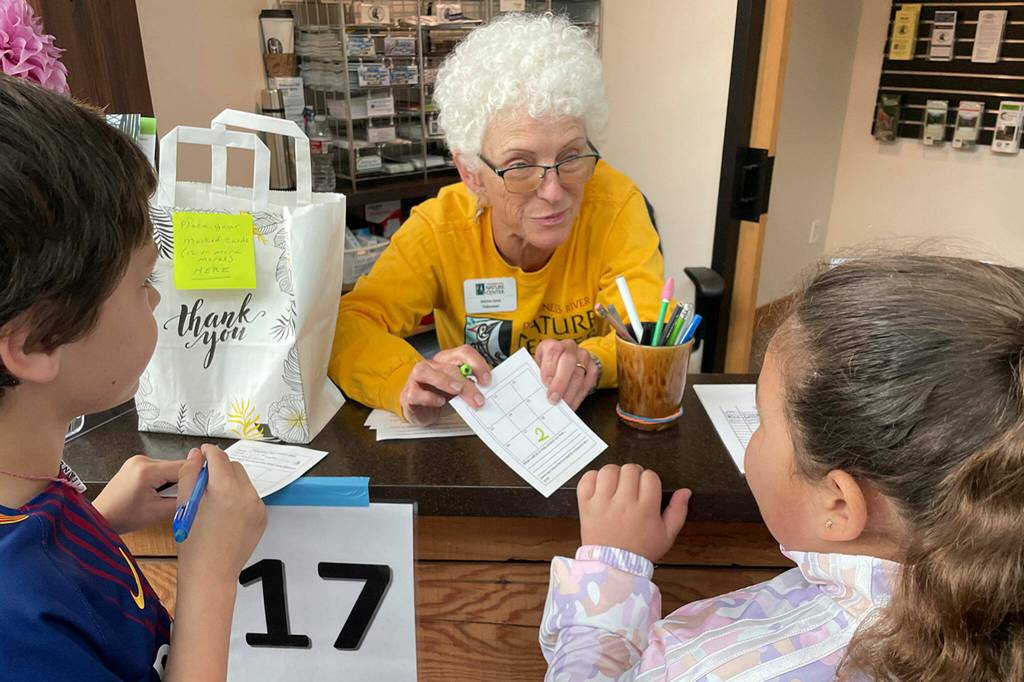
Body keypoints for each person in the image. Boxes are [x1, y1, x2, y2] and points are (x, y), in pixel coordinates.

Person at [540, 255, 1024, 680]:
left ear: (837, 503)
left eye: (762, 420)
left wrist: (613, 570)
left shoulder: (703, 669)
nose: (754, 436)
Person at [0, 74, 266, 680]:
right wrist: (209, 576)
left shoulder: (28, 484)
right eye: (142, 280)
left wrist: (95, 521)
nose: (153, 300)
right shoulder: (14, 622)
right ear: (40, 340)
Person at [329, 13, 666, 425]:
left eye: (571, 156)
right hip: (478, 430)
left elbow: (648, 334)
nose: (554, 190)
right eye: (520, 165)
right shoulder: (441, 229)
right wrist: (405, 377)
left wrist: (593, 361)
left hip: (588, 433)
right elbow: (347, 326)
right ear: (472, 174)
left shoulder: (615, 206)